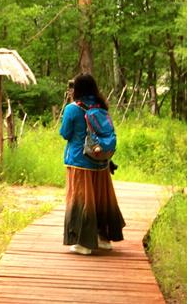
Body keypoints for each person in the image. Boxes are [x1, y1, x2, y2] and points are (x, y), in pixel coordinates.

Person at [59, 73, 125, 255]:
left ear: (77, 89)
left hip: (80, 162)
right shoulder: (100, 106)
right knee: (100, 199)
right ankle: (104, 239)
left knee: (82, 200)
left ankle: (83, 244)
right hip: (101, 161)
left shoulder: (73, 109)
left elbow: (65, 133)